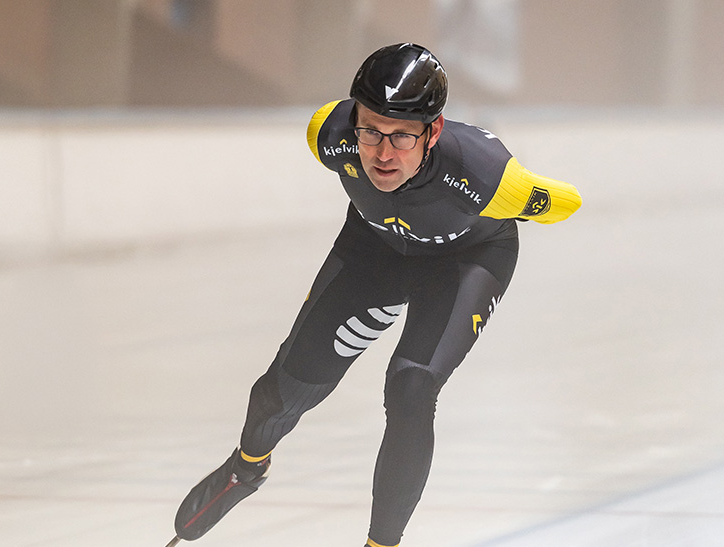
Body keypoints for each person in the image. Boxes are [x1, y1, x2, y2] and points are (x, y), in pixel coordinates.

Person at [168, 43, 582, 547]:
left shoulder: (486, 176)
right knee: (279, 391)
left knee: (410, 389)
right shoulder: (328, 135)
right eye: (370, 131)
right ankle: (246, 469)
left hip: (464, 259)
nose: (383, 155)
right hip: (376, 247)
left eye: (402, 136)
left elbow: (567, 202)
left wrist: (524, 198)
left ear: (434, 132)